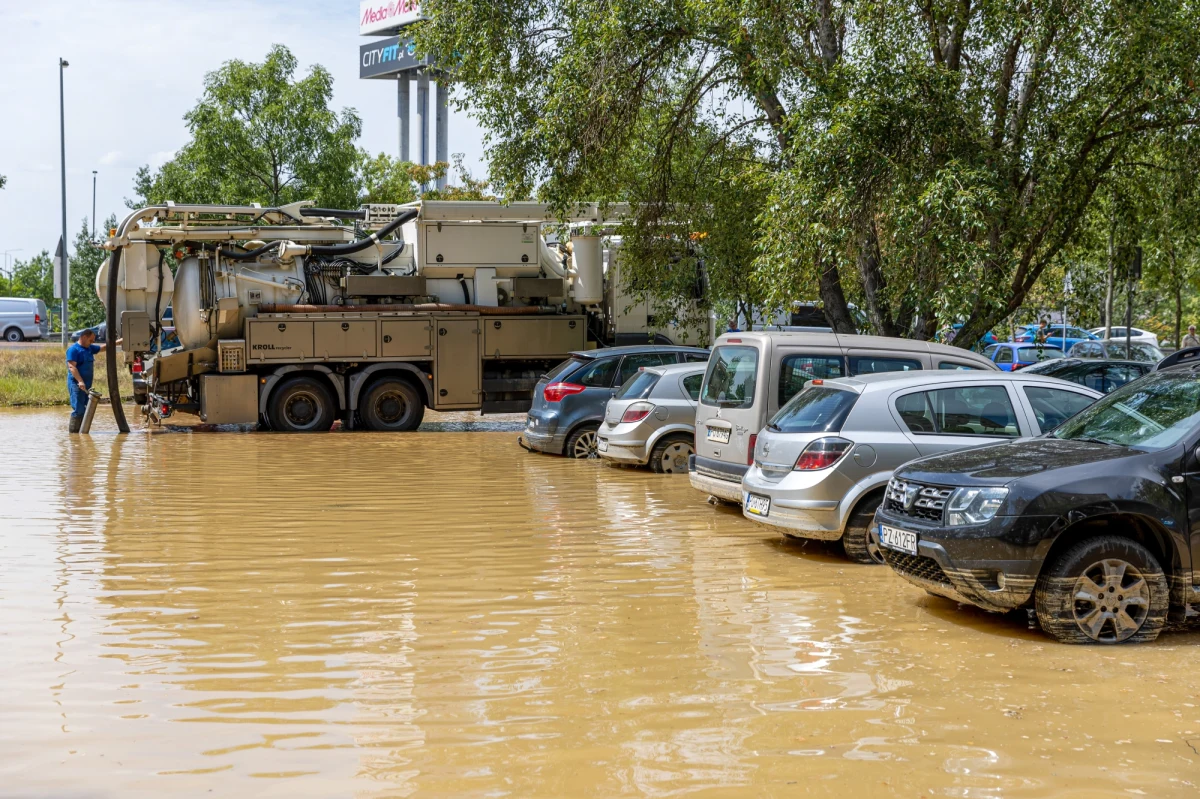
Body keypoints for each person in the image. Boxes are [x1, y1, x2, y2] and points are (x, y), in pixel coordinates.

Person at [66, 328, 120, 433]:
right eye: (91, 340)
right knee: (79, 410)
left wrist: (120, 341)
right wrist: (80, 381)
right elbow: (72, 367)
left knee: (86, 409)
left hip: (86, 385)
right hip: (76, 384)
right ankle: (74, 435)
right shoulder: (73, 350)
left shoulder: (89, 348)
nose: (92, 342)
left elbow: (103, 347)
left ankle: (82, 434)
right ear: (84, 337)